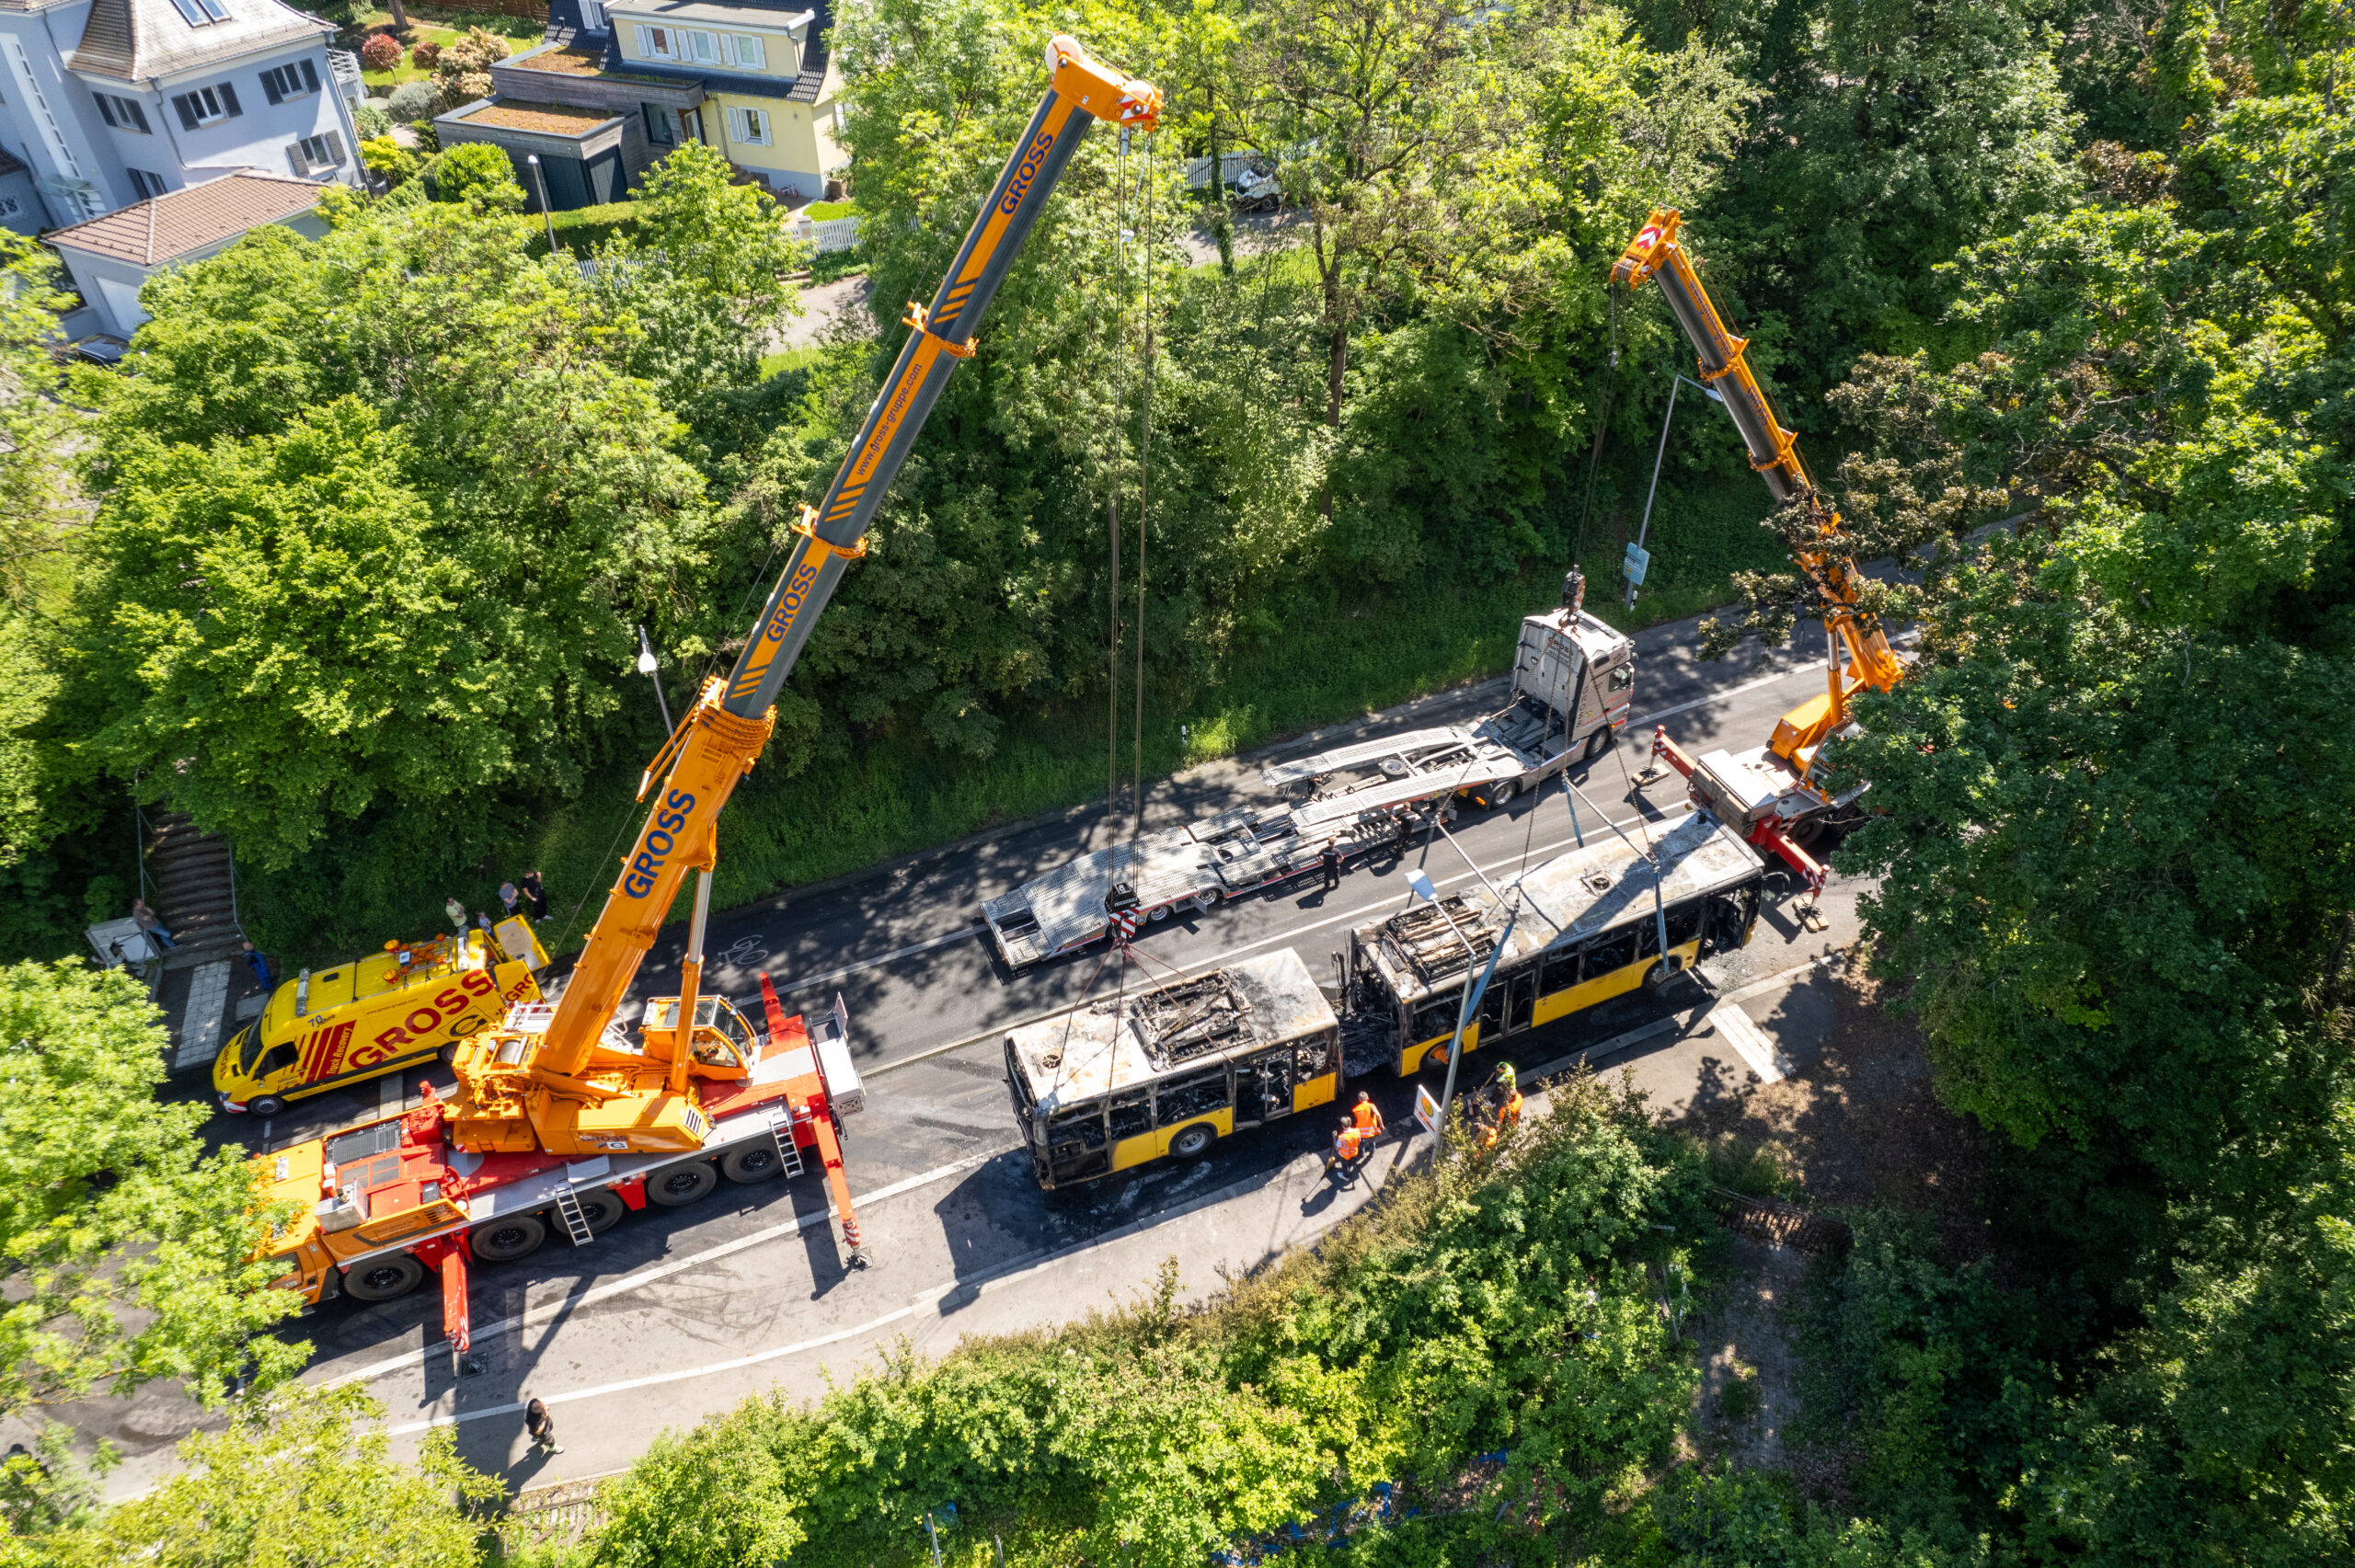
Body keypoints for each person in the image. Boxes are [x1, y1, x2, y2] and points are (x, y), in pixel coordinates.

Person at [1325, 1117, 1365, 1181]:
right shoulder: (1357, 1131)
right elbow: (1359, 1140)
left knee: (1345, 1167)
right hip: (1354, 1153)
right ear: (1350, 1123)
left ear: (1343, 1126)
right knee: (1351, 1162)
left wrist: (1334, 1138)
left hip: (1345, 1156)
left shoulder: (1341, 1138)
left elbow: (1337, 1148)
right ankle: (1350, 1165)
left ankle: (1345, 1176)